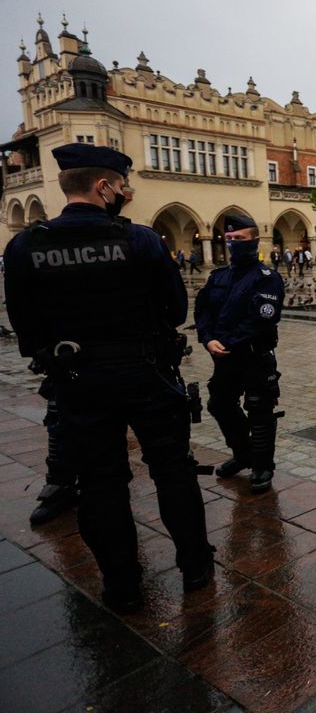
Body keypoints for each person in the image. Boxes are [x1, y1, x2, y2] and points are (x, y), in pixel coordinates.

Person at [3, 143, 212, 613]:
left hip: (77, 380)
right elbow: (176, 309)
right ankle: (195, 565)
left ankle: (121, 584)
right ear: (103, 187)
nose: (123, 193)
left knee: (100, 482)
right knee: (172, 470)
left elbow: (24, 324)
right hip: (146, 374)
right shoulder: (138, 239)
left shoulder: (25, 246)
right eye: (120, 186)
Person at [195, 214, 285, 494]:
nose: (233, 244)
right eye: (230, 239)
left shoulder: (267, 278)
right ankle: (243, 453)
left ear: (254, 240)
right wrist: (208, 339)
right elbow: (203, 312)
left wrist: (229, 343)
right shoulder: (218, 276)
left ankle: (262, 466)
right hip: (223, 358)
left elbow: (262, 319)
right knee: (219, 404)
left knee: (259, 408)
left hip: (253, 356)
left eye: (240, 239)